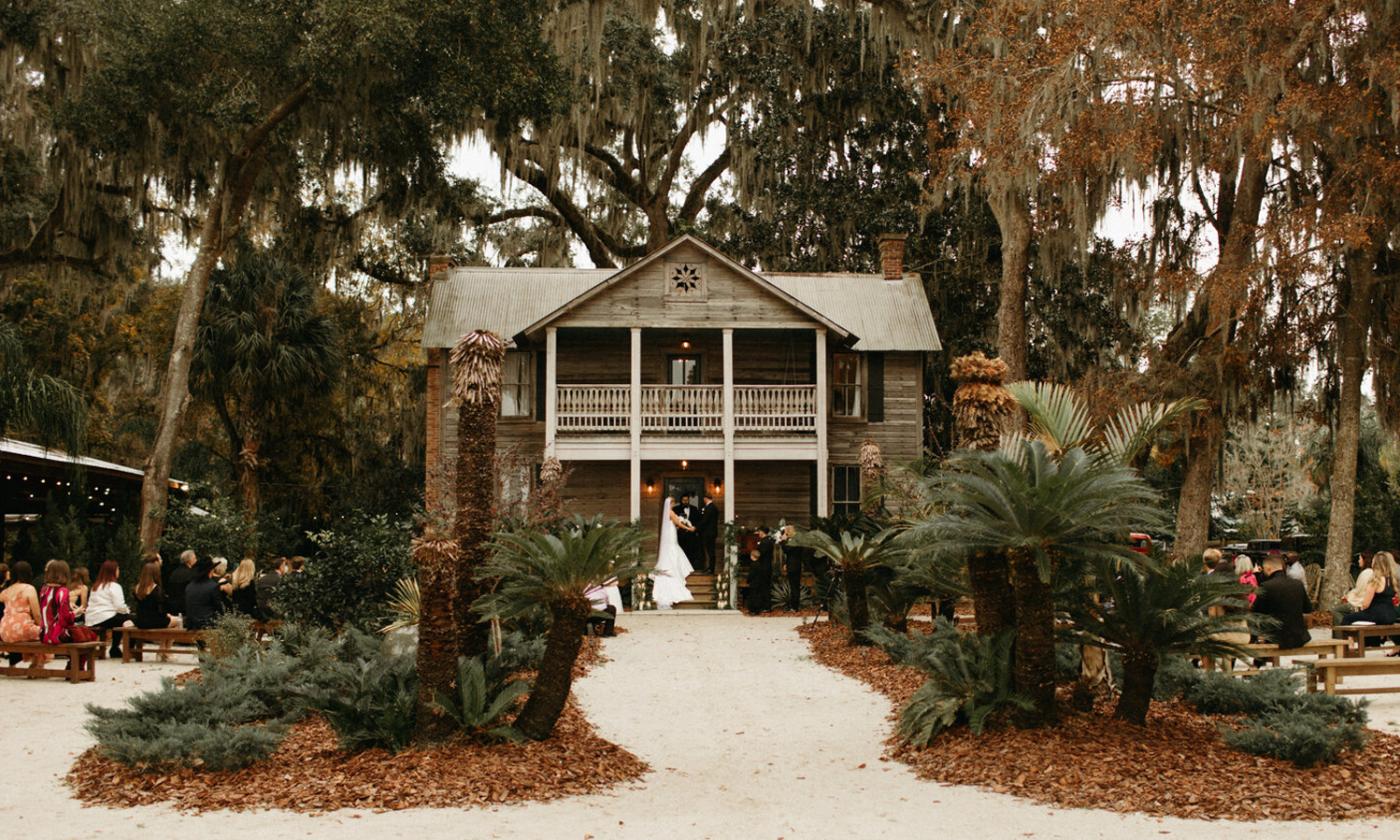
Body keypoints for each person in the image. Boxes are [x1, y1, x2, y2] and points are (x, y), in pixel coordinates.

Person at [1252, 552, 1313, 649]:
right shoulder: (1298, 584)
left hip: (1275, 637)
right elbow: (1308, 609)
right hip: (1299, 637)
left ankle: (1257, 660)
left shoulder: (1266, 586)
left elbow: (1255, 611)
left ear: (1268, 569)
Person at [1341, 550, 1397, 640]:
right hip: (1391, 615)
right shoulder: (1392, 580)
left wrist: (1360, 609)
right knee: (1367, 618)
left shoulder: (1375, 580)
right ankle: (1372, 643)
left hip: (1377, 614)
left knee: (1347, 618)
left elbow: (1365, 604)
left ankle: (1349, 645)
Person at [651, 496, 695, 609]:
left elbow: (676, 523)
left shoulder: (668, 512)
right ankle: (674, 569)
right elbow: (678, 523)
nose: (674, 504)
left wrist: (681, 522)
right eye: (673, 502)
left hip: (671, 532)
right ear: (670, 504)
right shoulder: (670, 512)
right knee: (673, 549)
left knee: (674, 548)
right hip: (671, 534)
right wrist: (688, 528)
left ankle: (676, 566)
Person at [85, 560, 133, 659]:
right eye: (118, 569)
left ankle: (115, 648)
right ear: (113, 571)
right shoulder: (114, 586)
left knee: (120, 619)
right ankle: (123, 648)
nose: (119, 571)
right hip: (105, 617)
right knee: (131, 619)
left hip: (92, 618)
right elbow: (119, 606)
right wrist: (127, 610)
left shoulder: (96, 586)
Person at [1, 561, 43, 665]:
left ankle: (17, 665)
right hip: (22, 628)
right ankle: (36, 665)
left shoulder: (6, 591)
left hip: (4, 631)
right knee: (44, 634)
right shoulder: (29, 589)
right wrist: (42, 626)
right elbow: (37, 614)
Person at [183, 558, 233, 630]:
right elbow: (219, 609)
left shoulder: (189, 586)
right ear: (210, 571)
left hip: (191, 624)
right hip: (207, 624)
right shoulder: (212, 586)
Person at [132, 560, 182, 629]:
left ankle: (162, 640)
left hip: (140, 621)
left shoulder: (136, 588)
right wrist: (168, 615)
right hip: (154, 621)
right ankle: (167, 640)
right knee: (178, 620)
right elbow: (162, 609)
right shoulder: (156, 589)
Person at [38, 559, 77, 645]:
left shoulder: (44, 589)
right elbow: (65, 618)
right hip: (57, 636)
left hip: (43, 635)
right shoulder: (63, 591)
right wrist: (75, 613)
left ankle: (71, 658)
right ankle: (74, 658)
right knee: (85, 637)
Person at [746, 526, 774, 614]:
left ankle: (766, 606)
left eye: (759, 532)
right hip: (765, 567)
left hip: (765, 567)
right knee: (764, 587)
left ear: (762, 532)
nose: (758, 533)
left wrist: (755, 554)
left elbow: (761, 554)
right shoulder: (766, 541)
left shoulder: (765, 542)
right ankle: (764, 605)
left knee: (765, 587)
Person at [671, 493, 702, 571]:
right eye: (684, 500)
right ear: (681, 500)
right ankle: (681, 568)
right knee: (681, 551)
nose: (685, 501)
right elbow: (672, 521)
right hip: (680, 534)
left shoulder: (694, 509)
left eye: (687, 500)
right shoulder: (675, 509)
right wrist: (677, 527)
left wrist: (695, 528)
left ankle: (690, 568)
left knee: (691, 551)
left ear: (689, 500)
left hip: (691, 535)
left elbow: (698, 520)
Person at [165, 549, 198, 616]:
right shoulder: (191, 574)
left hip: (173, 606)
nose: (196, 560)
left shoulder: (174, 573)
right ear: (189, 560)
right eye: (195, 558)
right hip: (186, 607)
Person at [697, 493, 720, 573]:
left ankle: (711, 569)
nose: (703, 500)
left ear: (706, 498)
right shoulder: (710, 507)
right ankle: (710, 567)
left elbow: (705, 521)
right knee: (709, 551)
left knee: (711, 551)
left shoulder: (711, 508)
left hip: (709, 533)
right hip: (709, 533)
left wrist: (696, 527)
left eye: (704, 499)